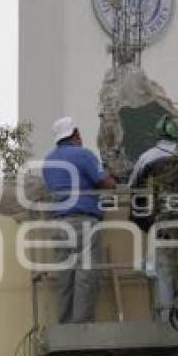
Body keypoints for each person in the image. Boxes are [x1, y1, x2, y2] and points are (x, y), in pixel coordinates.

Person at [43, 117, 116, 324]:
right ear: (74, 133)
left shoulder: (49, 161)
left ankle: (65, 323)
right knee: (86, 274)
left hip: (59, 224)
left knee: (65, 277)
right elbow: (105, 183)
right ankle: (81, 324)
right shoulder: (83, 155)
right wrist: (114, 180)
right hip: (83, 222)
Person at [128, 115, 178, 321]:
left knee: (164, 274)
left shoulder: (147, 158)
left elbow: (133, 190)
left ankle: (167, 320)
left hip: (162, 224)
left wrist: (146, 224)